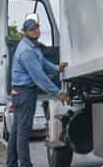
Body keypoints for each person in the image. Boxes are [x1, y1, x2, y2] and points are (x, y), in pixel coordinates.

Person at [7, 16, 68, 167]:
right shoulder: (27, 51)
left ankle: (11, 163)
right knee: (23, 132)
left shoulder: (32, 47)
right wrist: (58, 93)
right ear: (25, 32)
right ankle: (26, 164)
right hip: (24, 93)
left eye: (37, 27)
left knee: (16, 132)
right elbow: (39, 77)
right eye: (32, 29)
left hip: (21, 93)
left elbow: (43, 63)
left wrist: (57, 68)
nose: (36, 31)